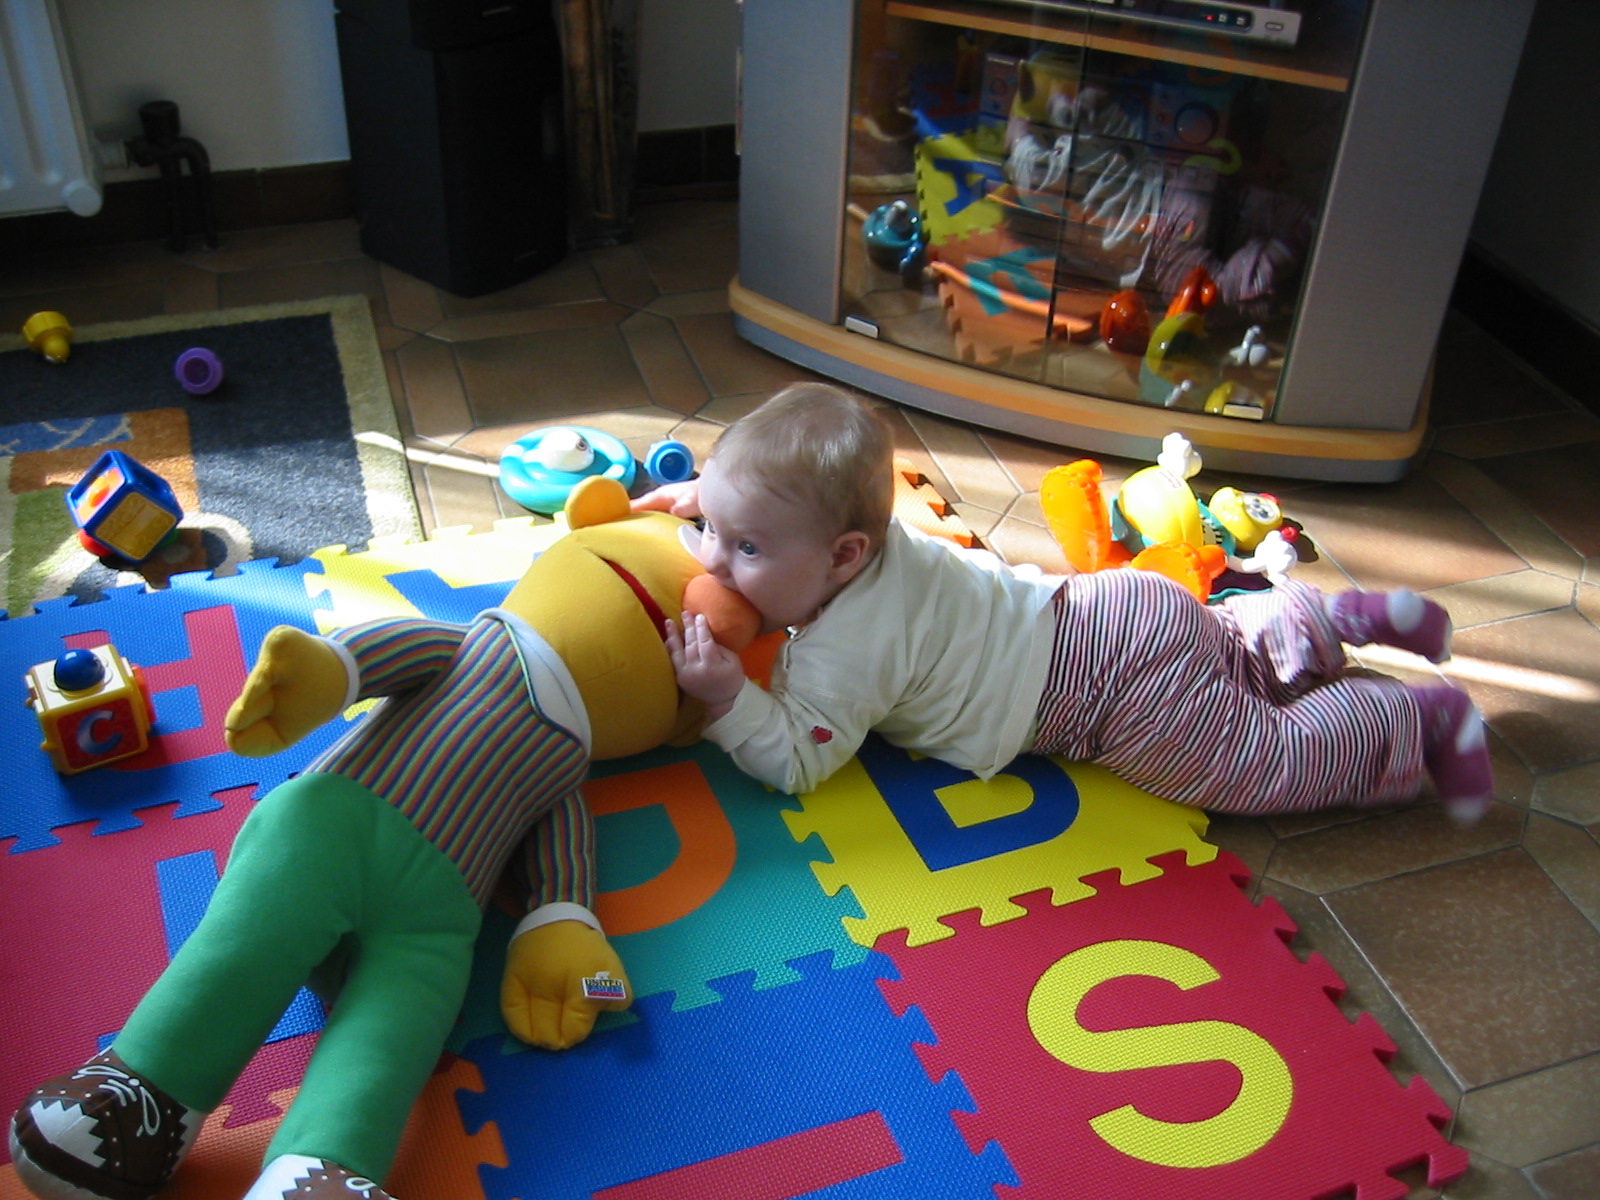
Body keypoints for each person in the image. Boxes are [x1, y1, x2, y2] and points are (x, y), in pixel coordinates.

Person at [633, 382, 1492, 822]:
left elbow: (800, 761)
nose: (716, 559)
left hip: (1103, 700)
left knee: (1256, 757)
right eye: (715, 531)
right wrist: (715, 505)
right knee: (1232, 644)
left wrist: (728, 698)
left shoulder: (845, 650)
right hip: (1120, 605)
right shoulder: (872, 538)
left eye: (744, 547)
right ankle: (1330, 619)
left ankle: (1417, 724)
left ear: (842, 555)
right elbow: (784, 511)